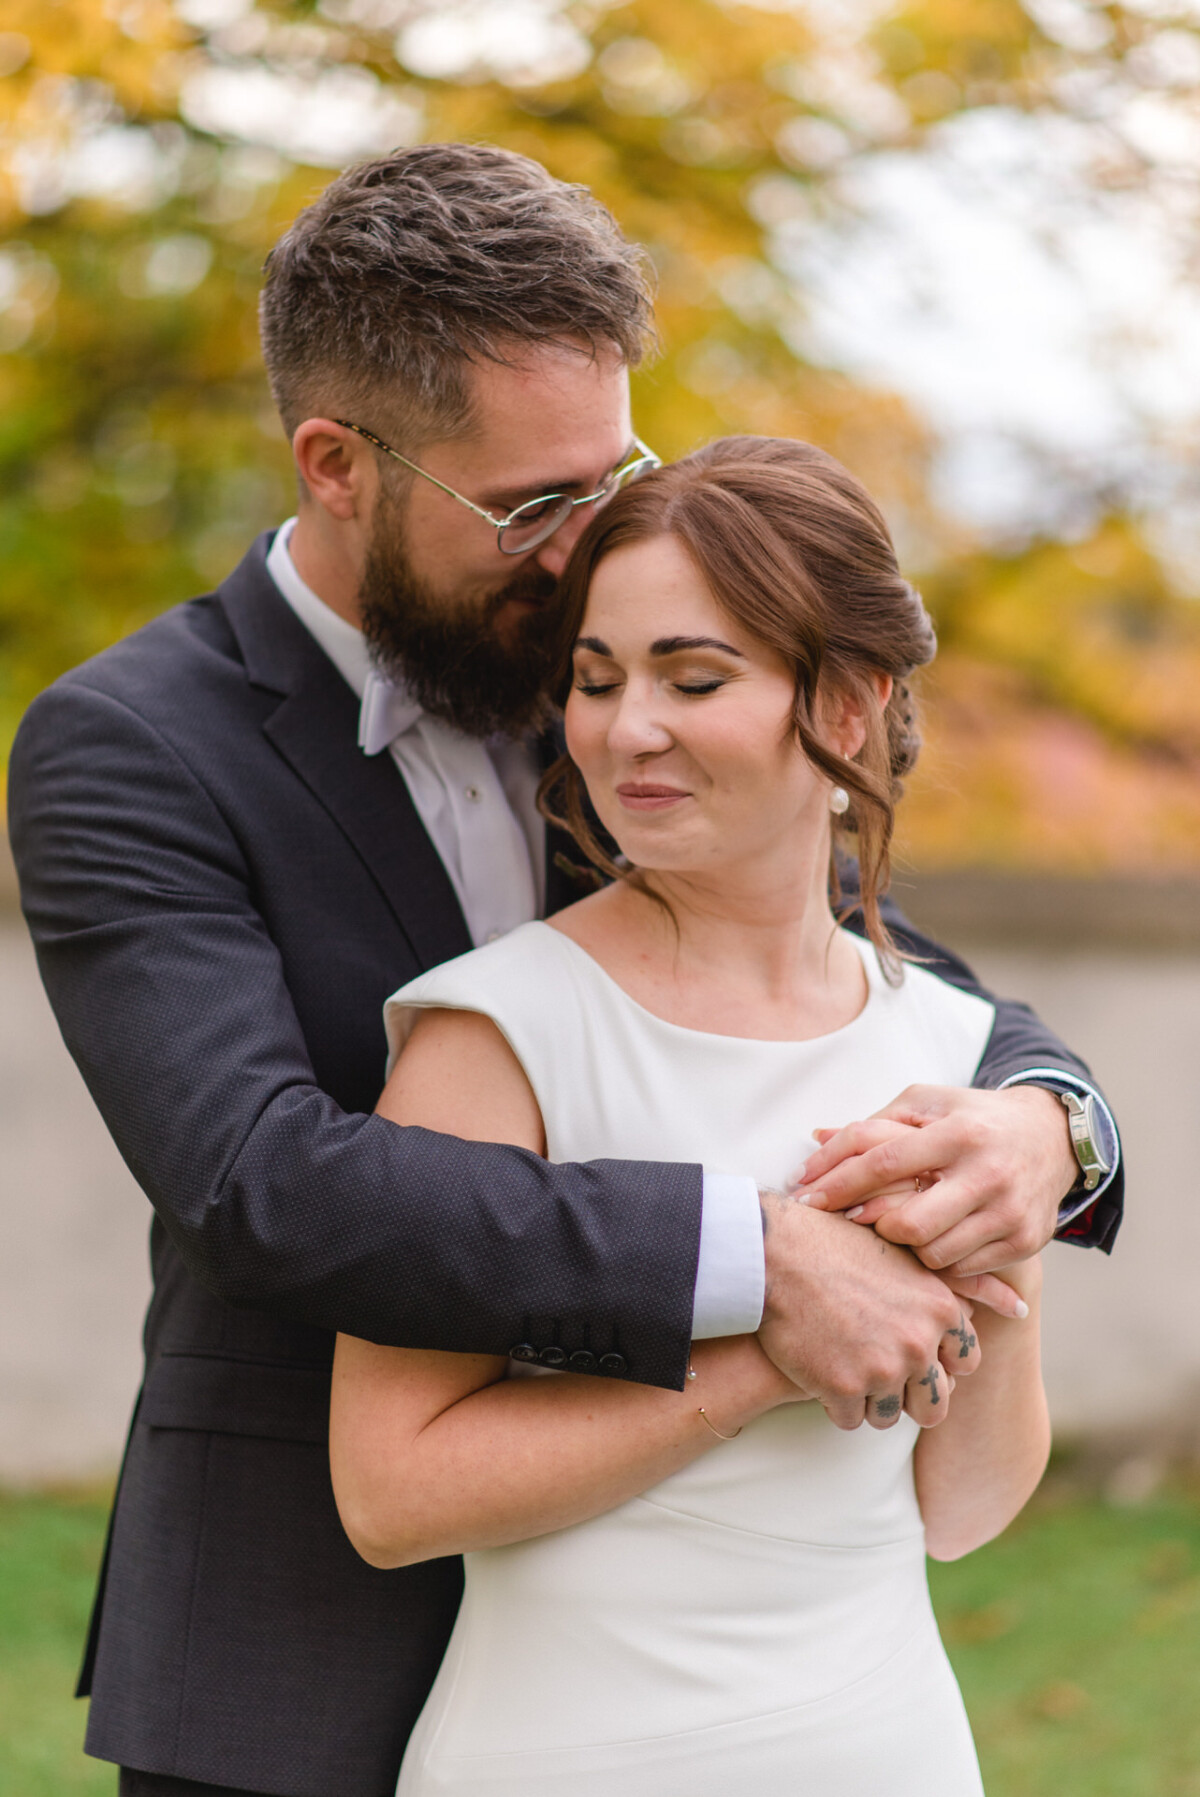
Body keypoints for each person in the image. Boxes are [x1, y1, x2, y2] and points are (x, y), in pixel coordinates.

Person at [6, 146, 1118, 1797]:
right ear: (337, 465)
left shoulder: (597, 682)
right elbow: (265, 1181)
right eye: (531, 504)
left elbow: (856, 954)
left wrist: (1051, 1121)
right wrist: (759, 1259)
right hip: (294, 1622)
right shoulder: (131, 745)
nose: (579, 544)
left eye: (610, 477)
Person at [331, 437, 1052, 1795]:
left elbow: (965, 1507)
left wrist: (988, 1281)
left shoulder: (958, 1053)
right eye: (598, 679)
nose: (626, 730)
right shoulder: (498, 1029)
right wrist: (769, 1354)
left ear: (846, 705)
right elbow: (390, 1494)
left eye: (694, 678)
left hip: (886, 1751)